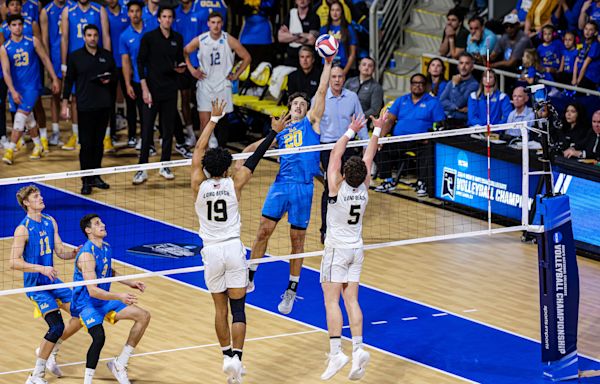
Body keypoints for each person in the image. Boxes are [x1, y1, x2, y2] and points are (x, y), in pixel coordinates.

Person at [191, 100, 284, 383]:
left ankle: (226, 356)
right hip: (233, 249)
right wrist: (273, 133)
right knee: (238, 310)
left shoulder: (198, 184)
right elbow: (255, 159)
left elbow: (198, 149)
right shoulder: (235, 183)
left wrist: (215, 119)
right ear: (228, 167)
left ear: (207, 168)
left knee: (219, 309)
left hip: (212, 252)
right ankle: (238, 363)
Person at [245, 59, 334, 315]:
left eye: (302, 105)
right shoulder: (280, 132)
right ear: (289, 108)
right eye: (295, 103)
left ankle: (291, 290)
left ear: (307, 111)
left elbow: (321, 91)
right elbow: (254, 150)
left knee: (297, 241)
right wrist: (237, 161)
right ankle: (249, 277)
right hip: (281, 186)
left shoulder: (311, 123)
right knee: (263, 231)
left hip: (303, 189)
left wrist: (326, 63)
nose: (298, 106)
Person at [319, 112, 384, 381]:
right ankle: (358, 348)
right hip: (357, 248)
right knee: (352, 299)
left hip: (336, 249)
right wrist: (376, 130)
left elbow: (335, 153)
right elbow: (369, 156)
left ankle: (337, 352)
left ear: (345, 173)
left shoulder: (336, 187)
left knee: (331, 300)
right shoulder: (365, 186)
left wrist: (350, 130)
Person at [9, 185, 82, 384]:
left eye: (40, 195)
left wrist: (73, 253)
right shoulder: (22, 229)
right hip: (36, 286)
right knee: (56, 326)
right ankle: (35, 376)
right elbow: (13, 262)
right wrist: (40, 269)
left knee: (82, 314)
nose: (41, 198)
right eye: (35, 196)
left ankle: (49, 349)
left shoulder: (50, 221)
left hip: (52, 281)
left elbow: (59, 250)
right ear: (26, 203)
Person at [72, 213, 151, 384]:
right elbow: (93, 291)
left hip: (104, 301)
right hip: (86, 304)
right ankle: (87, 381)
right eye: (97, 223)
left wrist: (130, 283)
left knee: (143, 316)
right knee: (99, 337)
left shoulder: (106, 247)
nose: (103, 225)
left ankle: (120, 364)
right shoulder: (87, 255)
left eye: (102, 221)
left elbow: (108, 271)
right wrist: (120, 296)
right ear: (88, 230)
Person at [133, 6, 188, 185]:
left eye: (170, 17)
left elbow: (178, 61)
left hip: (170, 91)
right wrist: (144, 88)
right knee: (147, 130)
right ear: (158, 19)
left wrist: (180, 68)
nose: (167, 20)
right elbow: (140, 63)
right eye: (164, 16)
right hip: (151, 91)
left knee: (168, 129)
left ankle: (165, 165)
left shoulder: (177, 39)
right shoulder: (149, 38)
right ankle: (141, 168)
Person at [61, 24, 115, 195]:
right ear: (84, 37)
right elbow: (69, 81)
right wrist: (65, 102)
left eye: (95, 35)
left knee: (98, 144)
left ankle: (96, 176)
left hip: (103, 106)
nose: (92, 38)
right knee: (86, 145)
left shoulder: (106, 56)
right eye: (89, 35)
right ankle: (86, 180)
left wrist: (108, 81)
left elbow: (114, 77)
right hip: (84, 107)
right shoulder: (75, 57)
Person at [184, 11, 251, 148]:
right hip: (205, 84)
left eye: (218, 22)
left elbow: (247, 57)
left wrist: (236, 75)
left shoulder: (228, 39)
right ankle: (203, 153)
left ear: (222, 24)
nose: (216, 25)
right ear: (208, 24)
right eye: (213, 22)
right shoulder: (201, 39)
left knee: (222, 122)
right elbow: (185, 51)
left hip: (222, 85)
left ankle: (220, 153)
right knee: (204, 122)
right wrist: (192, 70)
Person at [1, 14, 60, 166]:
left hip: (32, 87)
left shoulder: (32, 41)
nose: (17, 27)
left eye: (19, 24)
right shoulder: (4, 48)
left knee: (20, 118)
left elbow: (45, 59)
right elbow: (6, 72)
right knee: (29, 119)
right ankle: (38, 145)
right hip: (17, 88)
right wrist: (12, 90)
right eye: (14, 25)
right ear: (9, 27)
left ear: (23, 25)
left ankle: (10, 151)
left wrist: (54, 78)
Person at [375, 73, 446, 196]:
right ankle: (387, 181)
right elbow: (390, 120)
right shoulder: (401, 100)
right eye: (415, 83)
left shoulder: (433, 103)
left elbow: (440, 124)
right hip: (399, 139)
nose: (417, 86)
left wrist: (430, 137)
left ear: (425, 86)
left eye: (421, 83)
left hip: (421, 142)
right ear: (410, 85)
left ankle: (422, 182)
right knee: (381, 147)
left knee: (428, 150)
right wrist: (380, 137)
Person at [318, 64, 367, 241]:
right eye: (334, 77)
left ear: (344, 79)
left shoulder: (352, 97)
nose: (337, 80)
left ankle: (348, 225)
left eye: (340, 76)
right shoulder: (321, 98)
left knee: (353, 187)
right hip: (327, 148)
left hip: (348, 146)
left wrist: (366, 144)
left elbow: (360, 120)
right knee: (330, 188)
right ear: (329, 79)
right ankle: (325, 229)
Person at [60, 0, 110, 151]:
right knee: (75, 98)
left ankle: (106, 136)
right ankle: (76, 135)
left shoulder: (99, 9)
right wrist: (64, 63)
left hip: (97, 60)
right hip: (77, 61)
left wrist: (108, 60)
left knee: (103, 97)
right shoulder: (68, 11)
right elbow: (65, 38)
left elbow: (106, 36)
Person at [40, 0, 69, 147]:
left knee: (77, 94)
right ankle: (56, 132)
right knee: (55, 93)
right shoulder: (47, 11)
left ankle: (78, 132)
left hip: (73, 54)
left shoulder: (72, 6)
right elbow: (44, 39)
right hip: (56, 57)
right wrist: (48, 62)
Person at [174, 0, 202, 147]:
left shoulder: (200, 12)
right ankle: (190, 134)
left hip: (199, 66)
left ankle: (206, 134)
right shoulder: (175, 14)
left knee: (201, 101)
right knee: (184, 99)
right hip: (182, 66)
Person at [105, 0, 132, 151]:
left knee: (130, 97)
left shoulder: (126, 12)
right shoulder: (103, 13)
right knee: (109, 99)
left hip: (126, 61)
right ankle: (111, 133)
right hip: (110, 61)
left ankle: (132, 134)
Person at [120, 0, 146, 149]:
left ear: (141, 12)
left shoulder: (150, 30)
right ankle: (134, 136)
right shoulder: (124, 36)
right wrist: (128, 83)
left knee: (148, 112)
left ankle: (148, 139)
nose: (135, 14)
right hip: (136, 79)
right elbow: (125, 62)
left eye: (137, 11)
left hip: (152, 78)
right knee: (134, 109)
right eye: (132, 11)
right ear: (128, 13)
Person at [439, 52, 479, 126]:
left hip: (462, 123)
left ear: (472, 67)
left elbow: (459, 103)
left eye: (467, 63)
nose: (463, 67)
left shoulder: (474, 85)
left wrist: (455, 86)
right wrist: (456, 108)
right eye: (461, 63)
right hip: (447, 120)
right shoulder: (452, 81)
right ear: (458, 66)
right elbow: (441, 101)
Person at [320, 0, 357, 75]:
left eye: (337, 10)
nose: (335, 13)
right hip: (327, 67)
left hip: (343, 66)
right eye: (332, 10)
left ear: (342, 12)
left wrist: (344, 72)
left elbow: (352, 54)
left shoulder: (349, 29)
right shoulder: (324, 29)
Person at [279, 0, 319, 67]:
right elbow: (280, 38)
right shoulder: (291, 14)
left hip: (307, 58)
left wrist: (290, 35)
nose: (302, 0)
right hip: (291, 57)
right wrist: (302, 36)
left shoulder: (314, 17)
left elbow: (312, 41)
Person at [572, 21, 600, 89]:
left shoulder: (595, 45)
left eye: (591, 30)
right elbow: (577, 60)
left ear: (595, 32)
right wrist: (574, 78)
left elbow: (585, 64)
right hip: (580, 74)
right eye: (586, 29)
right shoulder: (581, 42)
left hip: (590, 77)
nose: (587, 32)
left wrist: (578, 81)